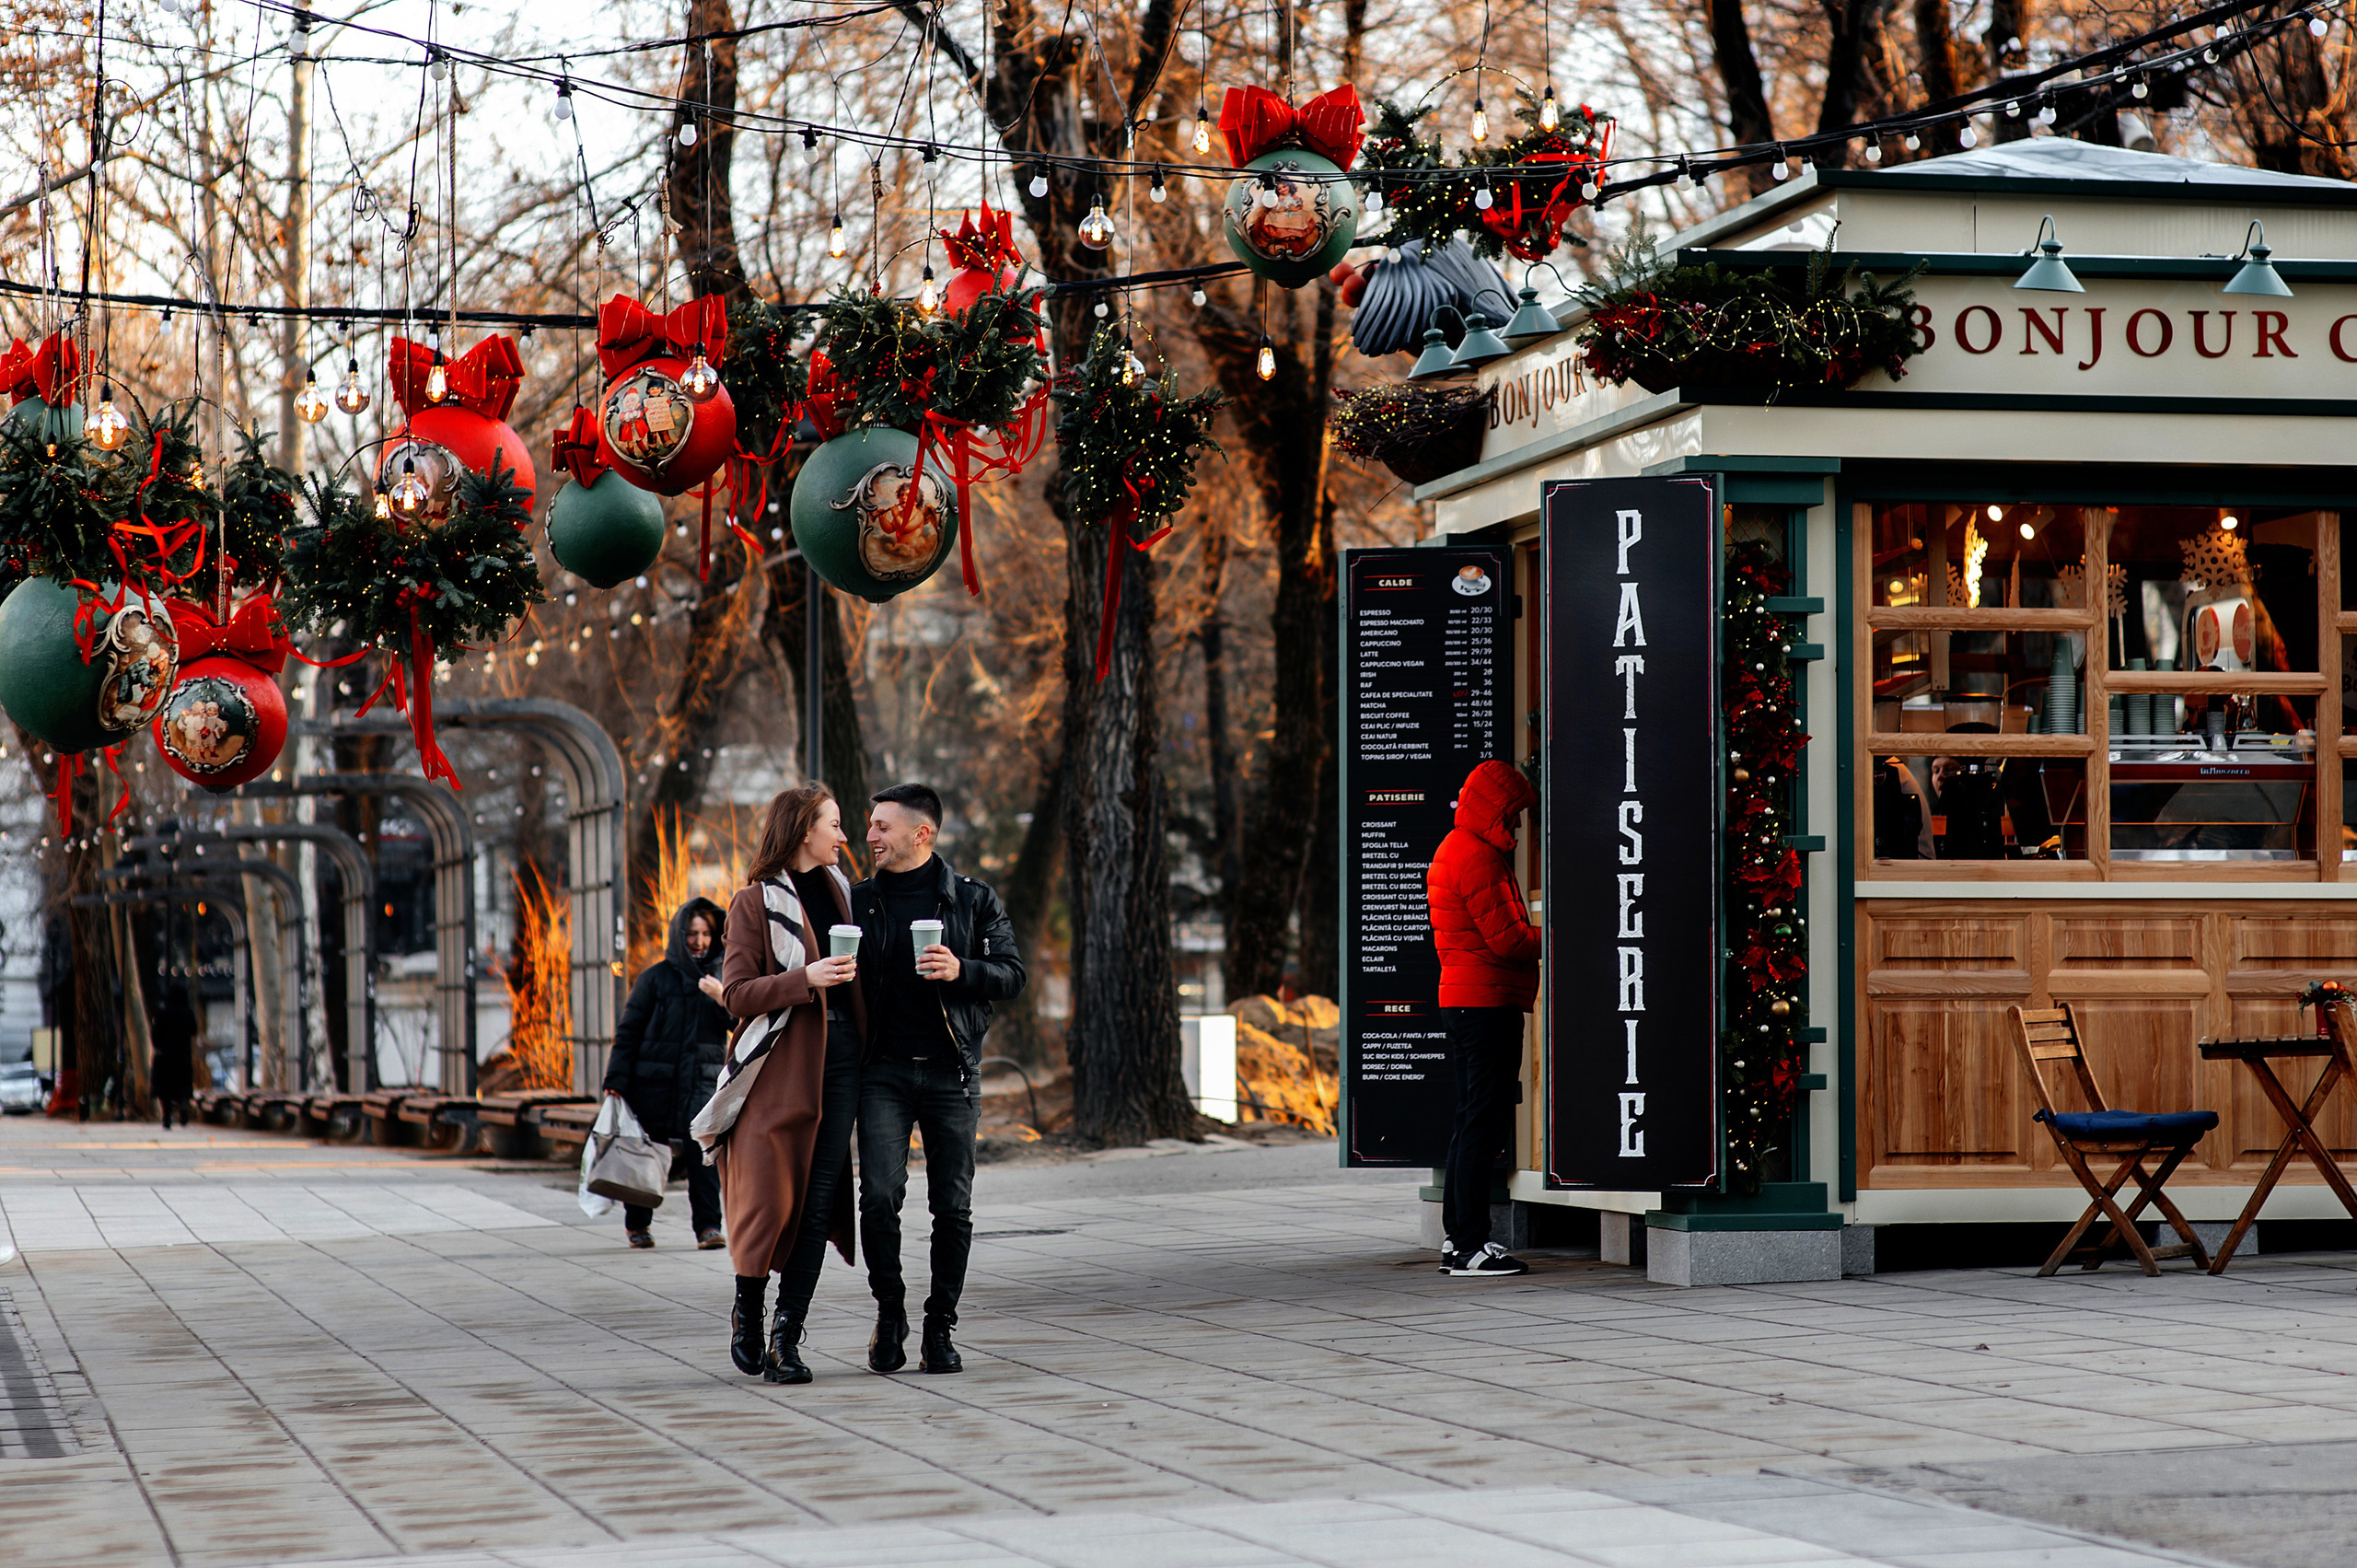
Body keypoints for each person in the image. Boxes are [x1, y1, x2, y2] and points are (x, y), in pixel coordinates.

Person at [852, 783, 1026, 1376]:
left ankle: (940, 1325)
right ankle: (891, 1310)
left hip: (953, 1073)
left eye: (881, 826)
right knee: (877, 1198)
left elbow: (1011, 974)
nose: (869, 835)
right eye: (870, 826)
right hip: (882, 1072)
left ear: (920, 833)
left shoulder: (973, 900)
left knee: (952, 1207)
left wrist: (961, 968)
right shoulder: (858, 902)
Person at [694, 784, 865, 1386]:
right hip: (778, 1072)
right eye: (835, 824)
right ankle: (748, 1308)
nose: (844, 836)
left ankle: (786, 1340)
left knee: (817, 1208)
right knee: (769, 1202)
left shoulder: (845, 892)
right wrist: (804, 978)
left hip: (839, 1066)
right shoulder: (752, 902)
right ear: (801, 831)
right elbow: (737, 992)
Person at [1426, 760, 1540, 1278]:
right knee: (1481, 1121)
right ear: (1494, 808)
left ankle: (1460, 1241)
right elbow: (1510, 939)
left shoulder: (1460, 850)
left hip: (1466, 1000)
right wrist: (1562, 938)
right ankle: (1469, 1243)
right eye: (1513, 814)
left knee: (1469, 1120)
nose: (1517, 825)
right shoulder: (1477, 858)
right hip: (1485, 1003)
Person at [602, 897, 731, 1250]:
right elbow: (628, 1032)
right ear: (679, 935)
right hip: (653, 1085)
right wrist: (616, 1081)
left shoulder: (725, 977)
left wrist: (722, 998)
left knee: (702, 1156)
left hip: (701, 1084)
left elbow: (741, 1022)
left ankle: (708, 1227)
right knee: (647, 1153)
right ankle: (637, 1225)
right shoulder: (655, 979)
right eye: (692, 933)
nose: (700, 941)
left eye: (706, 933)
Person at [150, 982, 198, 1131]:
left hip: (165, 1056)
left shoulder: (162, 1013)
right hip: (182, 1056)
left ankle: (166, 1116)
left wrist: (159, 1046)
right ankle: (183, 1107)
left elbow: (155, 1035)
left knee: (165, 1089)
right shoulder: (188, 1012)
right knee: (182, 1086)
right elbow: (194, 1031)